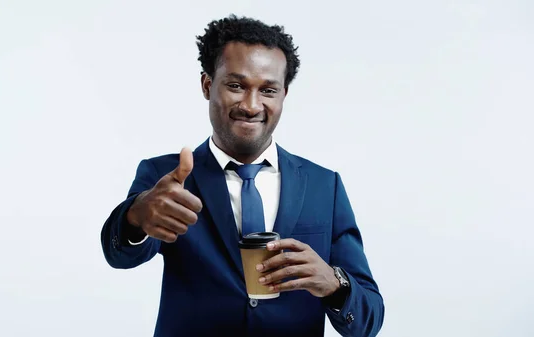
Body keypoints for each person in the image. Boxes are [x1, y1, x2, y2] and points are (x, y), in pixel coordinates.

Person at [101, 15, 384, 337]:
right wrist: (136, 216)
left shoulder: (324, 185)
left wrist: (335, 284)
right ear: (208, 85)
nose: (251, 105)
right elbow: (120, 256)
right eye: (236, 86)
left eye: (268, 90)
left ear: (283, 95)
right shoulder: (164, 177)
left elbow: (368, 321)